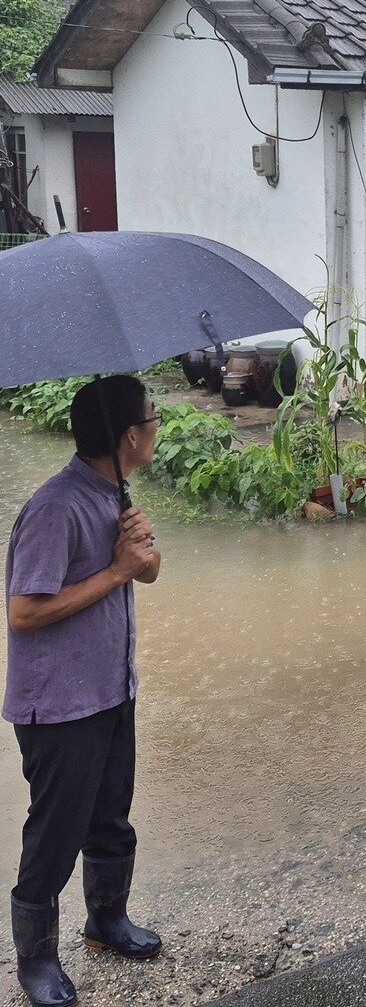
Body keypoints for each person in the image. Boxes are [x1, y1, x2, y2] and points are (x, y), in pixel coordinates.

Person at [6, 376, 162, 1007]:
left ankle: (105, 921)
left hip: (109, 691)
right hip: (60, 707)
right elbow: (22, 612)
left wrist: (140, 556)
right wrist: (117, 569)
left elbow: (146, 573)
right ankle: (36, 963)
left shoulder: (114, 494)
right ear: (130, 435)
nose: (156, 429)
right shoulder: (55, 508)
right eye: (154, 420)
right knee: (54, 838)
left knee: (110, 822)